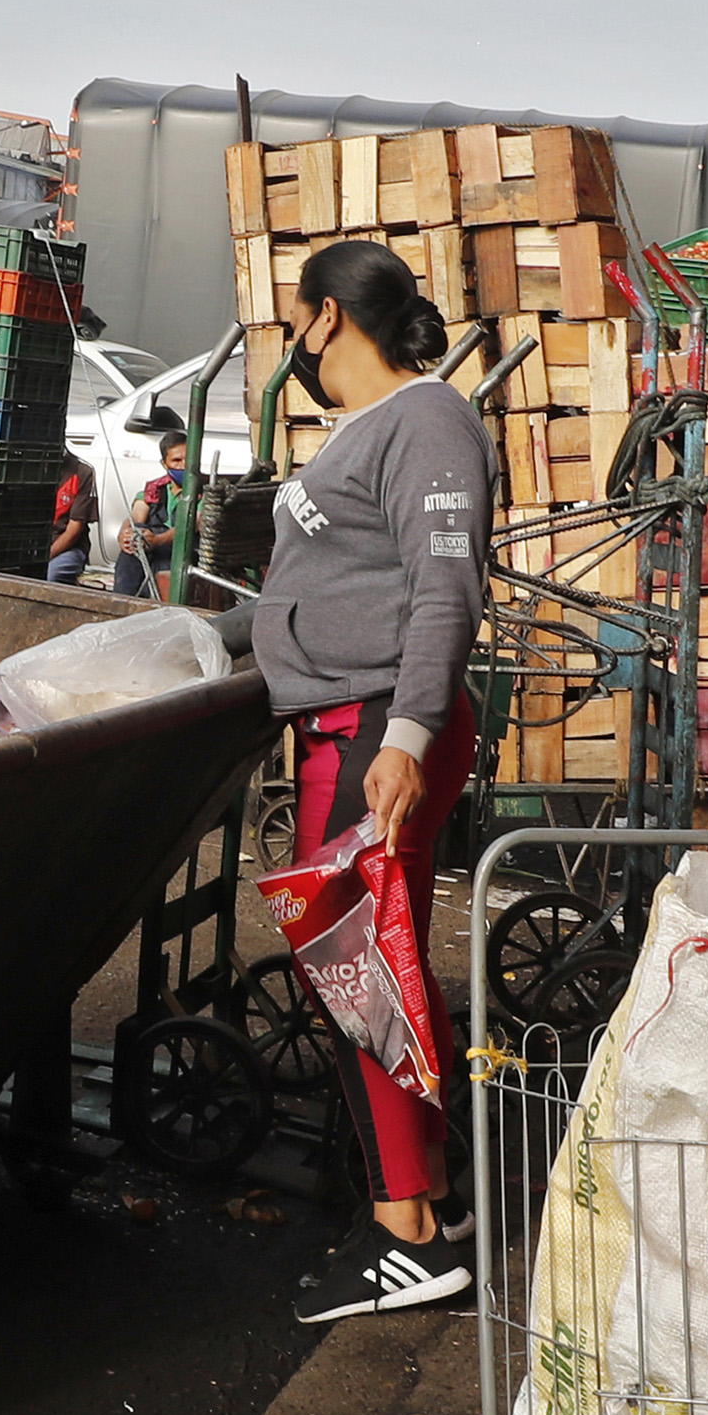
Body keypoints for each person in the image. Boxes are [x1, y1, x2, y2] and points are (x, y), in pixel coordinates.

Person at [212, 240, 491, 1325]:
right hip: (355, 721)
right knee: (376, 963)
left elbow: (445, 586)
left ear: (328, 317)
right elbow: (322, 586)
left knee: (350, 972)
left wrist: (406, 737)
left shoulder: (426, 419)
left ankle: (406, 1232)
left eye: (296, 324)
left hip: (377, 728)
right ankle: (435, 1205)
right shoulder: (369, 426)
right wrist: (208, 635)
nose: (295, 346)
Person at [110, 433, 187, 599]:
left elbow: (192, 523)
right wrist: (124, 535)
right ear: (164, 463)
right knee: (135, 537)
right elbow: (135, 517)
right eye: (176, 460)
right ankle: (121, 600)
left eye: (187, 460)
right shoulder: (154, 489)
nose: (183, 466)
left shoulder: (204, 492)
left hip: (182, 554)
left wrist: (157, 540)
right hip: (151, 549)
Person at [45, 453, 98, 584]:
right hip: (32, 546)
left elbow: (74, 530)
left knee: (50, 575)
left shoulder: (82, 472)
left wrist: (46, 556)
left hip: (67, 548)